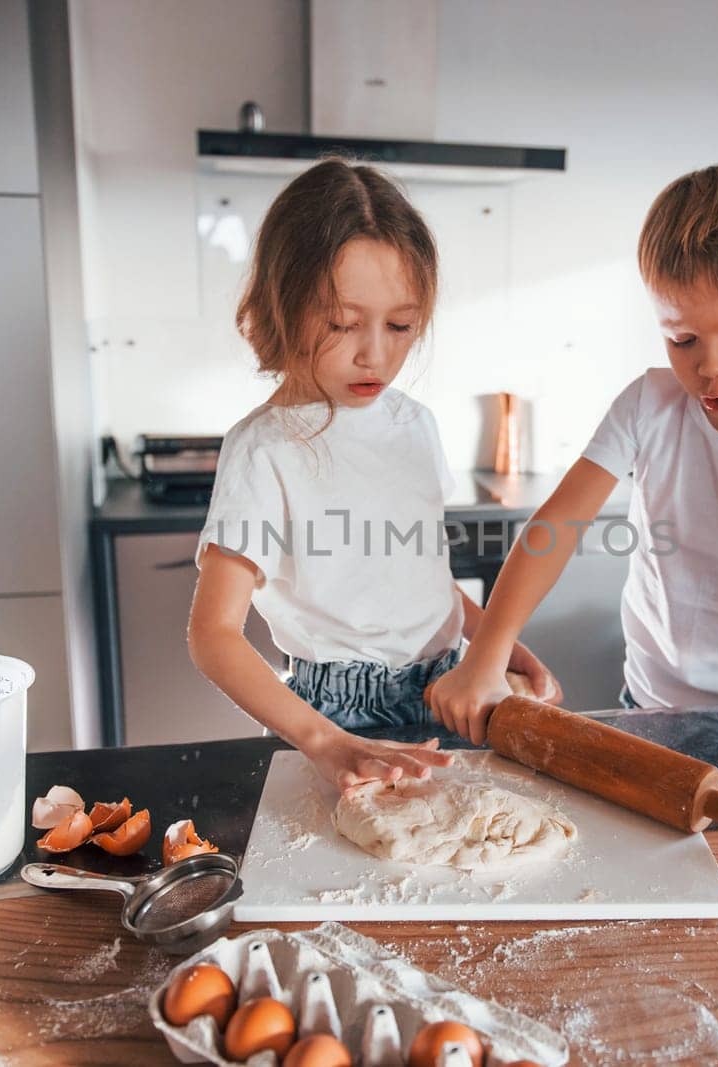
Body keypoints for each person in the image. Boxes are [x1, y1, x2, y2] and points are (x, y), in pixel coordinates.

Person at [428, 159, 718, 866]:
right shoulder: (649, 405)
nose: (711, 367)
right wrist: (487, 657)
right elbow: (554, 528)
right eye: (683, 338)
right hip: (649, 706)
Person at [188, 158, 561, 794]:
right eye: (342, 323)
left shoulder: (414, 424)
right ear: (284, 303)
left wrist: (497, 643)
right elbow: (213, 634)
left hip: (446, 691)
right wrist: (323, 740)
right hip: (334, 718)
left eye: (400, 326)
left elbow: (421, 577)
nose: (376, 354)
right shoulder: (265, 449)